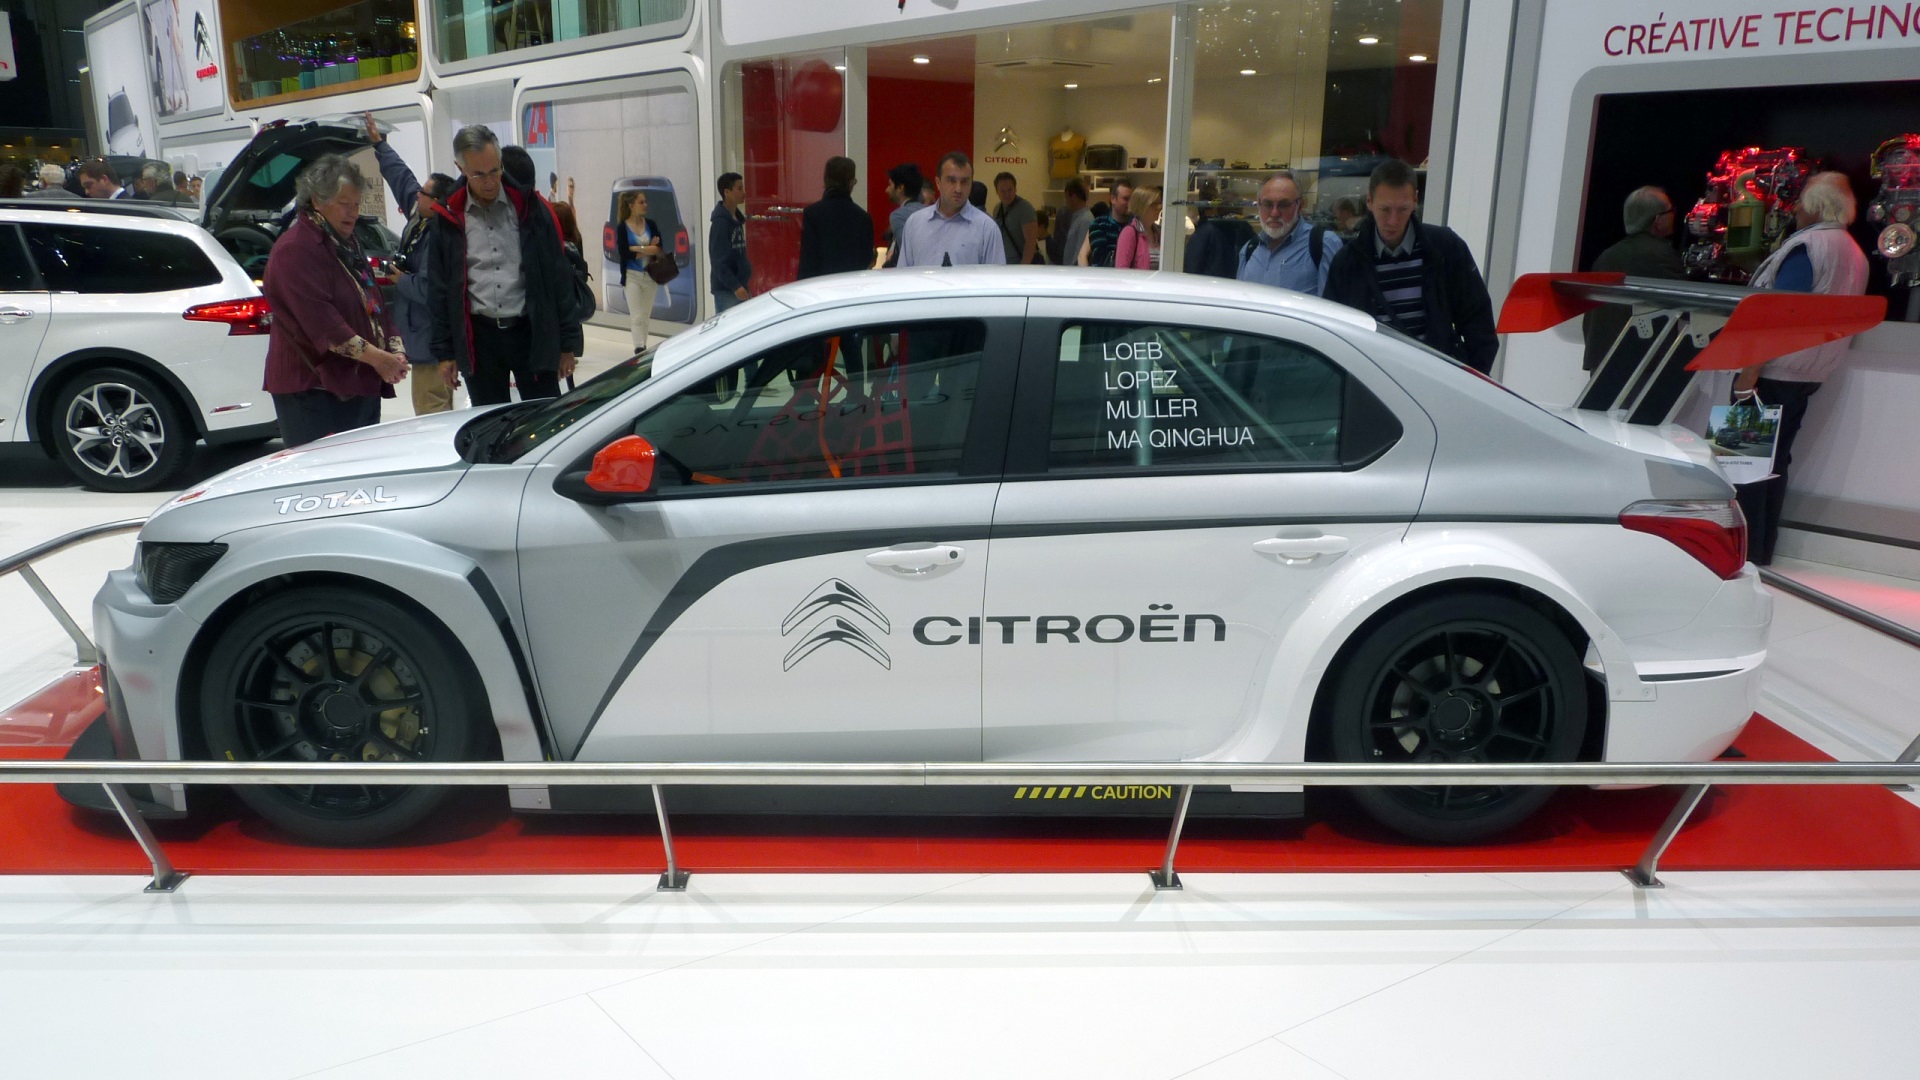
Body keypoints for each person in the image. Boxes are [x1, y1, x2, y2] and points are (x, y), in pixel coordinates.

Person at [1730, 171, 1870, 566]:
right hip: (1809, 373)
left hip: (1772, 372)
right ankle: (1759, 552)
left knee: (1743, 463)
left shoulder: (1808, 246)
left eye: (1801, 203)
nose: (1793, 210)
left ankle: (1736, 552)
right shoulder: (1854, 253)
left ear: (1815, 206)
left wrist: (1748, 374)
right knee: (1775, 463)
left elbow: (1776, 315)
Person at [429, 124, 583, 406]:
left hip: (531, 333)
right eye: (479, 174)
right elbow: (439, 290)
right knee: (492, 422)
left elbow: (558, 276)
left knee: (544, 417)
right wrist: (445, 353)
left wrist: (567, 344)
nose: (490, 182)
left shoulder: (530, 206)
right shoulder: (447, 217)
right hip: (480, 340)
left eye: (495, 170)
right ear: (460, 168)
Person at [260, 154, 408, 446]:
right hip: (313, 391)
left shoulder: (346, 243)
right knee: (323, 471)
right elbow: (325, 326)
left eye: (357, 204)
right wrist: (380, 360)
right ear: (317, 201)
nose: (353, 213)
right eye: (344, 204)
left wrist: (395, 348)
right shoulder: (296, 249)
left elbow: (375, 303)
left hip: (358, 381)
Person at [1323, 159, 1498, 373]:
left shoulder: (1446, 249)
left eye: (1402, 209)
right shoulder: (1347, 262)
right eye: (1385, 209)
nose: (1393, 221)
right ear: (1369, 201)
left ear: (1415, 201)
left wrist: (1470, 379)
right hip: (1372, 380)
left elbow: (1478, 321)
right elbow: (1333, 331)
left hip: (1435, 378)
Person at [364, 112, 457, 414]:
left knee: (431, 412)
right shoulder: (420, 216)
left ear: (438, 202)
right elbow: (401, 178)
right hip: (423, 342)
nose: (417, 194)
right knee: (435, 406)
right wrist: (380, 145)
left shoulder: (441, 237)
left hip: (432, 345)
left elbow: (431, 288)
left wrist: (400, 280)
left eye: (424, 193)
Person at [1580, 186, 1686, 371]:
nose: (1674, 216)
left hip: (1601, 361)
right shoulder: (1661, 255)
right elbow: (1686, 306)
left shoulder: (1606, 256)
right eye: (1671, 211)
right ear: (1658, 220)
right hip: (1636, 366)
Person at [1236, 171, 1340, 296]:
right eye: (1268, 204)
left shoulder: (1323, 245)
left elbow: (1331, 305)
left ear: (1300, 205)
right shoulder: (1249, 250)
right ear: (1258, 205)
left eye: (1284, 205)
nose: (1274, 213)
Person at [896, 151, 1005, 268]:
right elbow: (904, 273)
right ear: (938, 183)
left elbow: (996, 277)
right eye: (951, 181)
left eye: (964, 182)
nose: (958, 189)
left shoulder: (987, 228)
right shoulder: (914, 223)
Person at [797, 155, 873, 279]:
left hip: (820, 285)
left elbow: (808, 260)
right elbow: (866, 259)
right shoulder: (863, 217)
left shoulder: (812, 213)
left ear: (825, 181)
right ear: (851, 183)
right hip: (851, 284)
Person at [616, 189, 666, 350]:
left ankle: (642, 348)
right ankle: (639, 348)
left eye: (645, 202)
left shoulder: (651, 225)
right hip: (632, 277)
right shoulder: (622, 228)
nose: (645, 205)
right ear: (631, 205)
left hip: (650, 276)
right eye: (641, 202)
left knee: (645, 316)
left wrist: (636, 248)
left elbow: (658, 249)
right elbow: (625, 253)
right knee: (637, 316)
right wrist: (648, 247)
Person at [1184, 179, 1255, 280]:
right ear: (1241, 209)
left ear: (1217, 209)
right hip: (1236, 286)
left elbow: (1191, 267)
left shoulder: (1206, 232)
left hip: (1208, 285)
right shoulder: (1246, 230)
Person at [710, 172, 752, 311]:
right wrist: (735, 285)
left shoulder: (736, 220)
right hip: (727, 290)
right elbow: (718, 260)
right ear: (727, 192)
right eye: (739, 188)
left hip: (741, 285)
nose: (744, 192)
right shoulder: (720, 223)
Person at [1078, 178, 1133, 266]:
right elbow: (1085, 256)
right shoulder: (1099, 224)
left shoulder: (1136, 225)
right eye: (1125, 199)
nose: (1130, 203)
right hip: (1102, 273)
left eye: (1131, 199)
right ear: (1113, 199)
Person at [992, 172, 1040, 265]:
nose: (1006, 194)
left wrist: (1023, 267)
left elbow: (1031, 242)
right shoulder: (997, 209)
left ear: (1015, 189)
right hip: (1002, 264)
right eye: (1003, 191)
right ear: (997, 191)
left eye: (1010, 190)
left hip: (1018, 264)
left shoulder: (1025, 209)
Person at [882, 162, 924, 267]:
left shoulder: (898, 216)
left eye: (890, 184)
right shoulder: (929, 211)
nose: (887, 190)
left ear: (900, 188)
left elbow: (905, 252)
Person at [1114, 186, 1163, 270]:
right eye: (1155, 204)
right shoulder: (1129, 233)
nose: (1160, 207)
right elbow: (1121, 269)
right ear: (1142, 206)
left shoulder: (1159, 233)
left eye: (1160, 203)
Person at [1054, 178, 1093, 269]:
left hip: (1075, 272)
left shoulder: (1085, 220)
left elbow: (1080, 254)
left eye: (1067, 197)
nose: (1066, 201)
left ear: (1073, 197)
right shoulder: (1077, 217)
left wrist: (1071, 272)